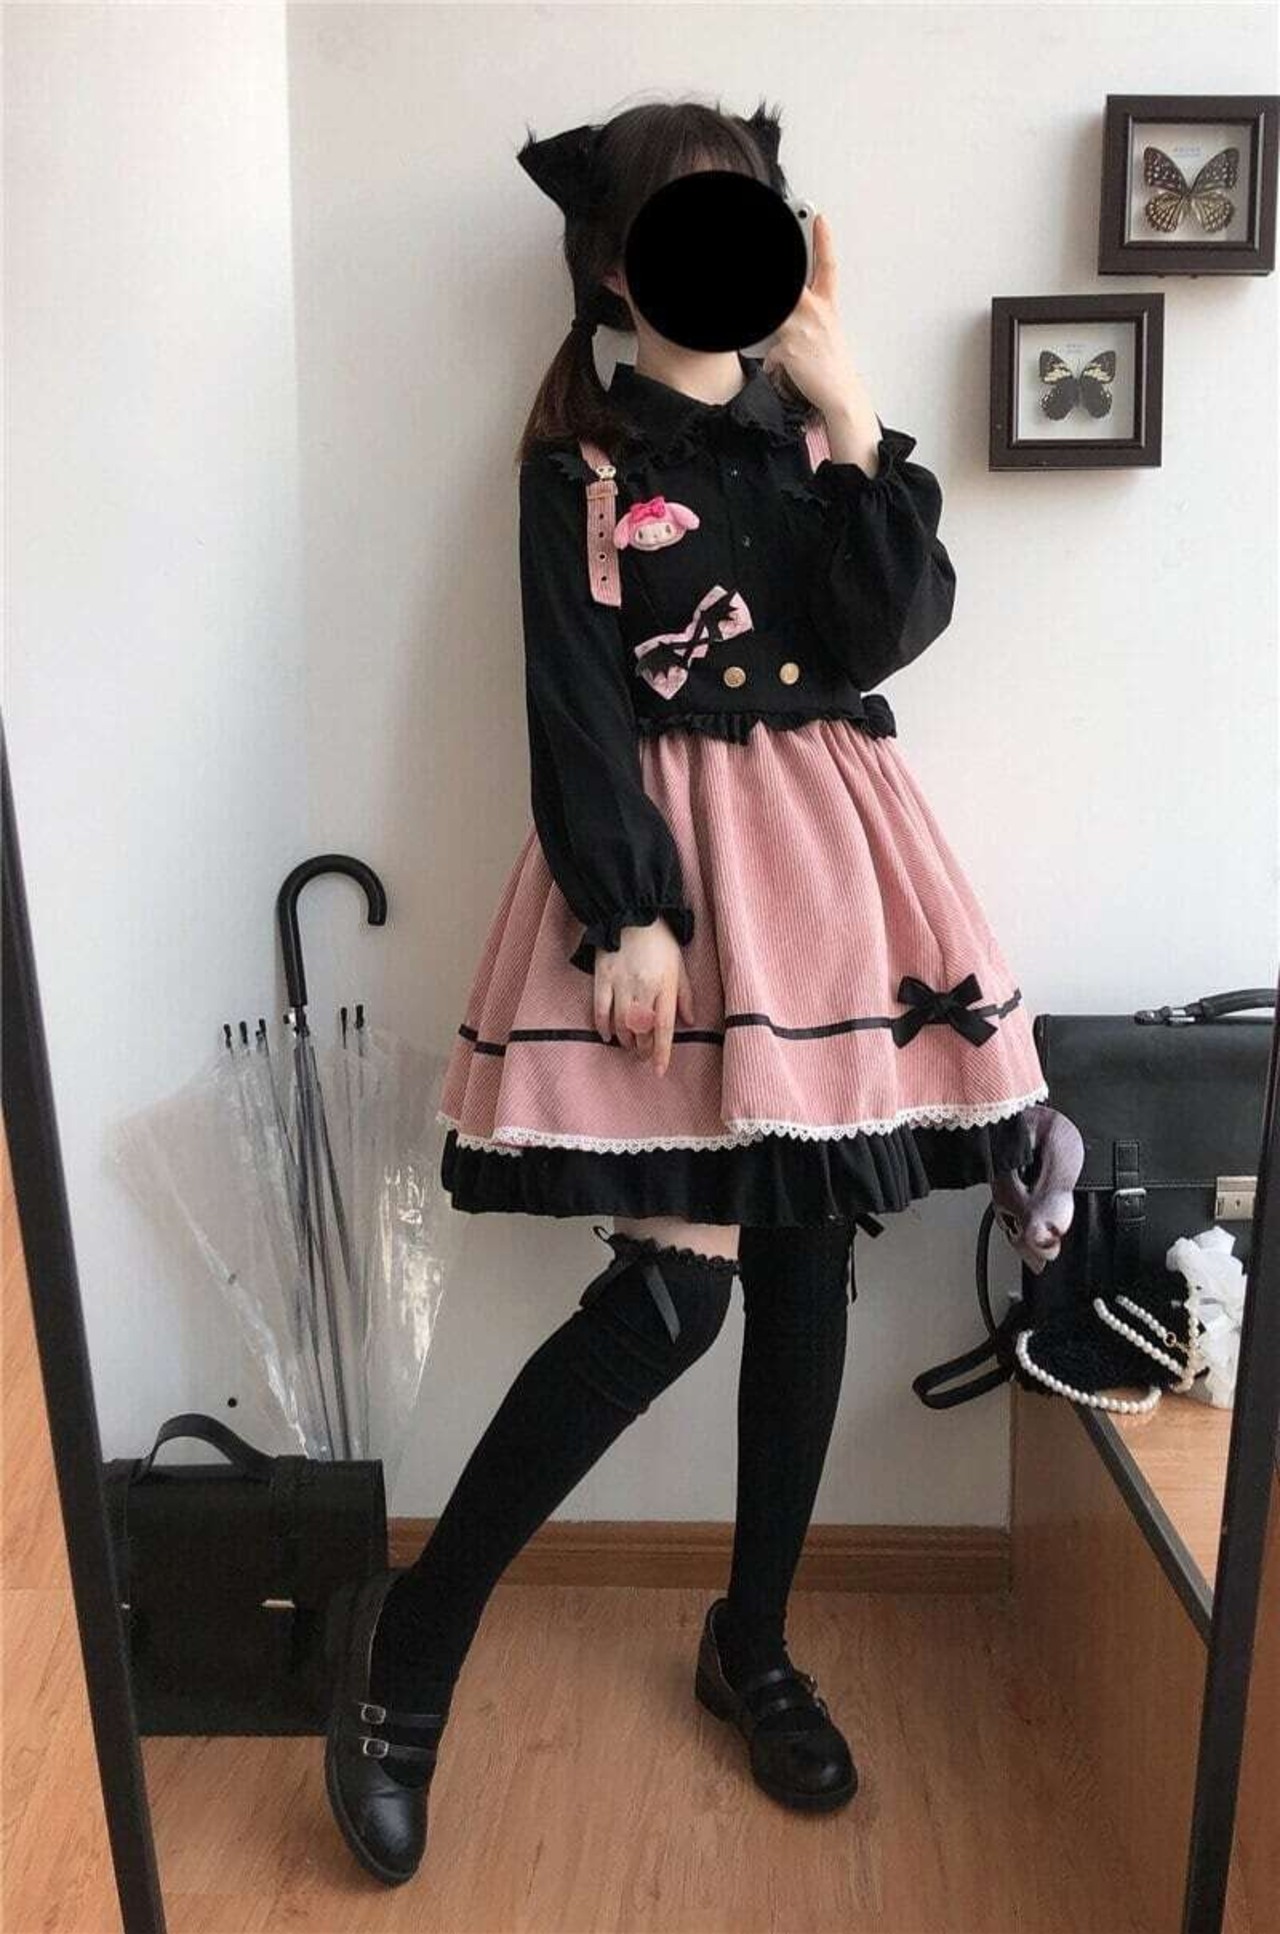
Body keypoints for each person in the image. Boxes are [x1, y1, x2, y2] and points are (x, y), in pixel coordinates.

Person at [324, 97, 1048, 1888]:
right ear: (616, 265)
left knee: (806, 1264)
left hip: (838, 883)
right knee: (674, 1296)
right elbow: (572, 702)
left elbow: (891, 628)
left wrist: (851, 402)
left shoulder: (814, 444)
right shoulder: (574, 465)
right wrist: (629, 913)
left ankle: (755, 1642)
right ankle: (410, 1653)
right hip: (677, 884)